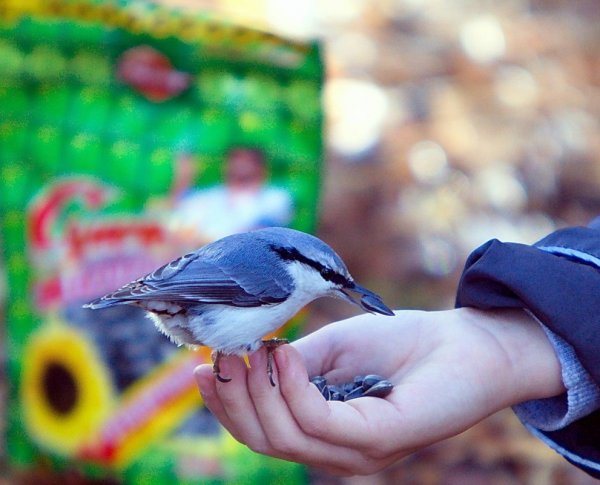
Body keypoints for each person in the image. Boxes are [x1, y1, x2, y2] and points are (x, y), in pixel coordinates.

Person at [193, 219, 600, 478]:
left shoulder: (276, 271)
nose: (338, 287)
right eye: (328, 276)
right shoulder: (278, 276)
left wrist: (507, 348)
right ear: (299, 263)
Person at [170, 148, 293, 243]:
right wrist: (183, 178)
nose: (240, 165)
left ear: (261, 166)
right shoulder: (209, 196)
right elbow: (175, 216)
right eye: (235, 159)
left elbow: (261, 232)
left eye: (247, 161)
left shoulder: (275, 197)